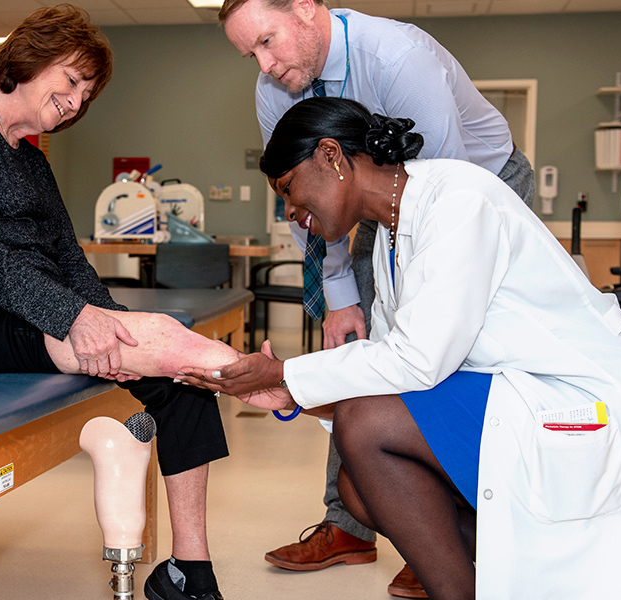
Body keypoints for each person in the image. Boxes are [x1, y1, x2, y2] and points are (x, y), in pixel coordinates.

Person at [177, 96, 621, 600]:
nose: (291, 211)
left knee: (365, 427)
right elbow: (390, 372)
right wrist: (293, 395)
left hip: (577, 394)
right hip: (515, 390)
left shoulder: (459, 200)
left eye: (289, 189)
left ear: (331, 156)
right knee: (359, 486)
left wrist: (284, 373)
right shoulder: (389, 236)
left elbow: (417, 362)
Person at [0, 6, 235, 600]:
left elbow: (69, 262)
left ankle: (189, 575)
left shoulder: (32, 159)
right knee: (163, 349)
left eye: (85, 95)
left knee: (178, 375)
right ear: (29, 57)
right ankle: (262, 379)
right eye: (70, 81)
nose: (74, 102)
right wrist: (73, 318)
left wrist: (114, 321)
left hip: (16, 308)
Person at [218, 0, 535, 594]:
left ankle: (438, 530)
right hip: (372, 201)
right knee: (373, 350)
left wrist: (288, 377)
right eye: (249, 54)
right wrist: (340, 294)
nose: (263, 65)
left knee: (446, 354)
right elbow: (303, 199)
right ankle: (358, 523)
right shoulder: (275, 90)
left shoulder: (397, 58)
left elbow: (442, 193)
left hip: (478, 180)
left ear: (306, 8)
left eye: (266, 41)